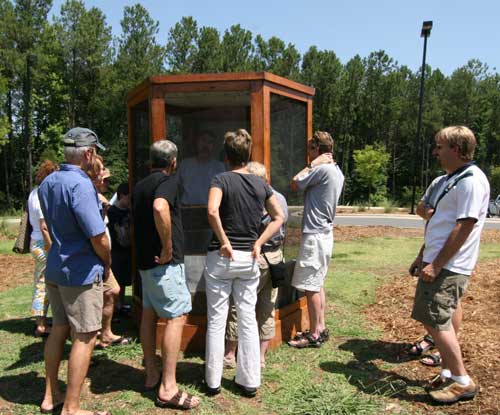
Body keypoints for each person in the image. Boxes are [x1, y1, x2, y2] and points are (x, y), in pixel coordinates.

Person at [409, 126, 489, 404]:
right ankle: (448, 372)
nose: (435, 151)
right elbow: (439, 224)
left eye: (440, 146)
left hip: (450, 265)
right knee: (437, 317)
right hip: (439, 261)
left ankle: (462, 381)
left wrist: (437, 264)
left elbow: (464, 225)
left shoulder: (471, 181)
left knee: (435, 319)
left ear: (456, 149)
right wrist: (423, 256)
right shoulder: (452, 179)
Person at [204, 129, 284, 398]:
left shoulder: (220, 179)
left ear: (226, 156)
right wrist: (259, 243)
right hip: (249, 259)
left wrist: (224, 240)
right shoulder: (261, 184)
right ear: (247, 155)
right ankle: (250, 381)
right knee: (248, 318)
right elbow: (279, 217)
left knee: (217, 319)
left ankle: (213, 381)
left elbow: (212, 210)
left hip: (222, 258)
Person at [38, 127, 111, 415]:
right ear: (89, 153)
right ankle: (72, 407)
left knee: (58, 329)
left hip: (55, 267)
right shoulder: (80, 185)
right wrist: (106, 263)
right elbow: (98, 236)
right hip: (79, 273)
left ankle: (50, 396)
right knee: (85, 335)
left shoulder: (48, 182)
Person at [133, 140, 200, 410]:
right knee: (176, 317)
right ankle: (168, 388)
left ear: (151, 161)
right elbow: (161, 208)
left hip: (146, 266)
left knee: (149, 315)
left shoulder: (140, 186)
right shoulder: (168, 182)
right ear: (173, 162)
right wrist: (168, 247)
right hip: (164, 265)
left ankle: (151, 374)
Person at [223, 161, 289, 369]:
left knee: (238, 304)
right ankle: (260, 356)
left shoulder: (257, 198)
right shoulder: (281, 198)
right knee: (267, 306)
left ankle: (229, 354)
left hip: (257, 258)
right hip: (276, 257)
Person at [288, 131, 344, 348]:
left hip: (315, 235)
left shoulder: (321, 169)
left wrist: (313, 164)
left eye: (310, 149)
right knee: (318, 283)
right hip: (324, 233)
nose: (307, 154)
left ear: (317, 149)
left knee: (310, 287)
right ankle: (319, 328)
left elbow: (295, 183)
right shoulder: (336, 170)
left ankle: (313, 334)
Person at [84, 156, 130, 348]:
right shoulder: (86, 196)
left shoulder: (98, 197)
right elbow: (95, 234)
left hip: (103, 257)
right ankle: (90, 339)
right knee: (94, 298)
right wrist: (105, 259)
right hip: (95, 256)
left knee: (112, 291)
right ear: (93, 175)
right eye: (102, 171)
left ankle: (106, 333)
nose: (106, 177)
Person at [28, 160, 58, 338]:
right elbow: (44, 226)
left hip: (36, 242)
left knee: (41, 282)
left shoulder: (33, 193)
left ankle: (43, 321)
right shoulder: (42, 195)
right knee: (43, 285)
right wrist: (53, 247)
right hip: (43, 244)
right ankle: (41, 325)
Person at [178, 130, 225, 205]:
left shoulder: (219, 166)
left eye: (210, 142)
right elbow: (178, 188)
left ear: (213, 146)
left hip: (210, 210)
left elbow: (223, 191)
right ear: (197, 142)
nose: (206, 145)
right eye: (203, 140)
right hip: (187, 209)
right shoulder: (185, 164)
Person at [107, 182, 132, 313]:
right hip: (115, 250)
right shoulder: (111, 211)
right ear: (122, 195)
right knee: (115, 279)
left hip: (127, 250)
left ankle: (120, 304)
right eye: (129, 197)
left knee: (123, 280)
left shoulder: (129, 212)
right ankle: (114, 306)